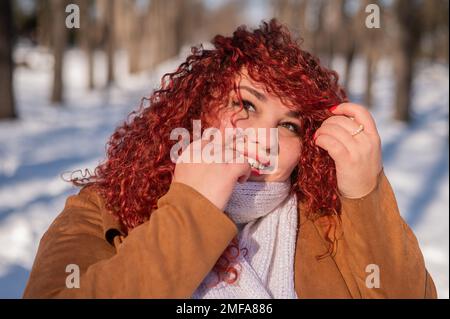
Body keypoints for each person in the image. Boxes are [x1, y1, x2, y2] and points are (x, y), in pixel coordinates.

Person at [23, 19, 437, 299]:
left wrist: (365, 194)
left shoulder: (328, 220)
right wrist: (191, 208)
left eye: (289, 126)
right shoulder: (103, 208)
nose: (265, 138)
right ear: (197, 109)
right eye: (246, 105)